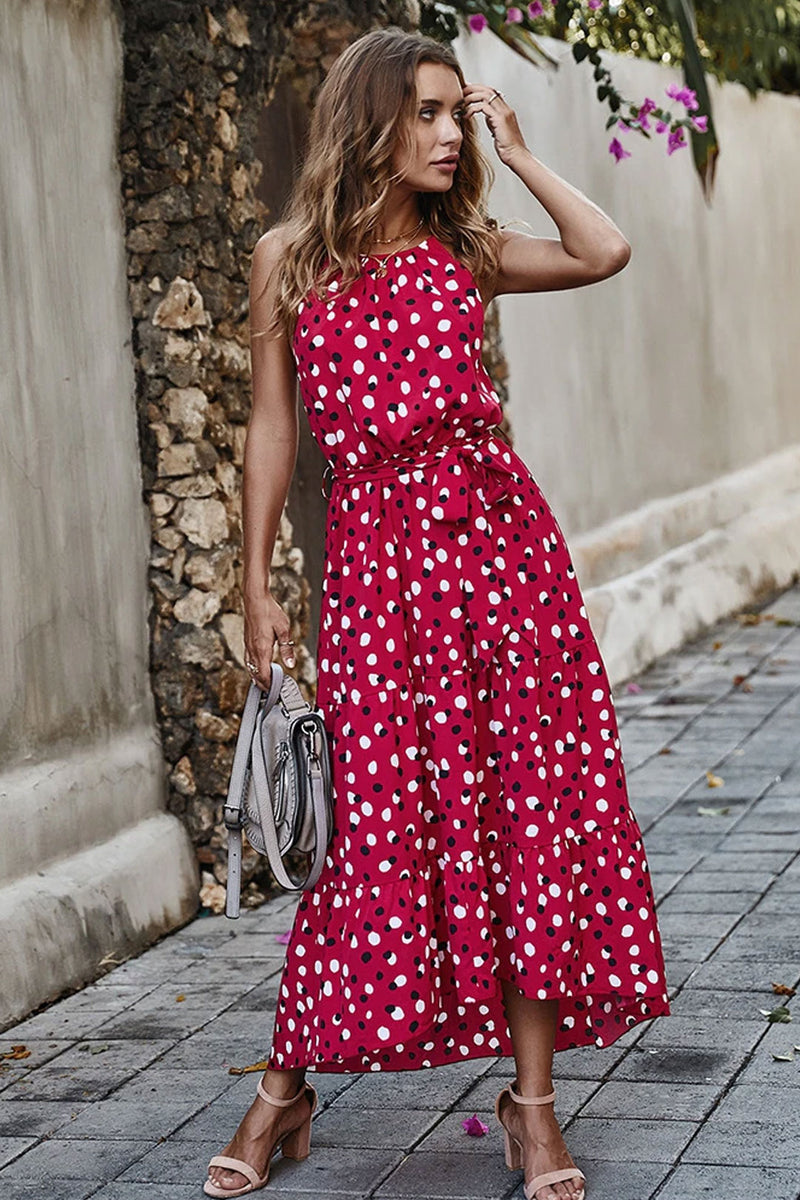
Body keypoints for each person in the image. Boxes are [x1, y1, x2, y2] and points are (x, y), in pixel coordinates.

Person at [203, 26, 670, 1200]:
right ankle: (284, 1087)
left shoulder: (464, 249)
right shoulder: (286, 262)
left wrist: (516, 152)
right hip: (374, 587)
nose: (447, 131)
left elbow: (603, 247)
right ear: (367, 119)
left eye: (454, 113)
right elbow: (273, 428)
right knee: (371, 841)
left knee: (520, 826)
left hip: (501, 568)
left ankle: (531, 1111)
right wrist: (256, 582)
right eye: (425, 113)